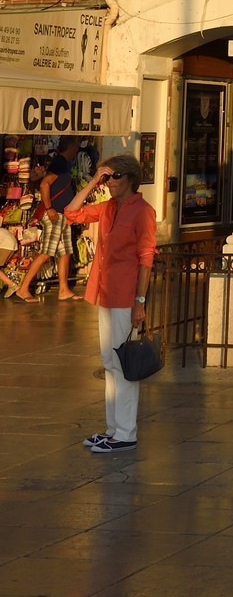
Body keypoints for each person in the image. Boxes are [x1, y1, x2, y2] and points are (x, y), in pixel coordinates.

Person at [63, 154, 157, 453]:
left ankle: (126, 432)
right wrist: (94, 181)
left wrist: (140, 301)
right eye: (108, 177)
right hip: (104, 292)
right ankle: (113, 428)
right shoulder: (108, 208)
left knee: (123, 365)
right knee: (109, 363)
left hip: (126, 295)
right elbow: (71, 213)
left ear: (130, 178)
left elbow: (146, 258)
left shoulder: (143, 211)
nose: (110, 182)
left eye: (115, 176)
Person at [13, 136, 82, 302]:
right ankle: (23, 288)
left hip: (63, 215)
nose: (78, 150)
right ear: (71, 147)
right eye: (77, 147)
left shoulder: (63, 163)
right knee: (45, 253)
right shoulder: (59, 162)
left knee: (65, 252)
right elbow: (45, 184)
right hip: (55, 214)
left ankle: (64, 289)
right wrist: (50, 208)